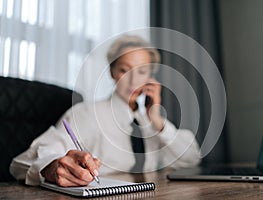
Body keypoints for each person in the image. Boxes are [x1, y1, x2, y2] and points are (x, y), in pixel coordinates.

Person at [10, 35, 201, 187]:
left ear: (151, 76)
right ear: (112, 72)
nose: (133, 80)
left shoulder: (150, 122)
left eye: (142, 71)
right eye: (125, 70)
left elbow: (191, 159)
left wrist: (158, 122)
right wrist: (53, 168)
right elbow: (23, 162)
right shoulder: (87, 114)